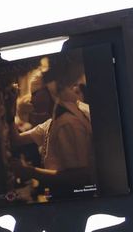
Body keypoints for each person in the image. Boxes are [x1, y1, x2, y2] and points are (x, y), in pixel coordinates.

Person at [14, 56, 95, 195]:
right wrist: (10, 115)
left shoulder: (67, 123)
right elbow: (16, 140)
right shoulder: (51, 123)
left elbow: (80, 177)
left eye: (34, 94)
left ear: (48, 92)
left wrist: (30, 172)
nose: (31, 100)